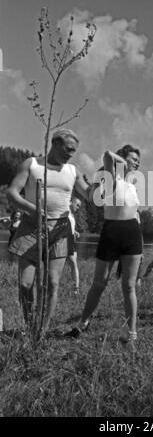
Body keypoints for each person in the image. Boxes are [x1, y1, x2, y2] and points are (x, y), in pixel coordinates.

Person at [7, 129, 91, 332]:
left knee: (53, 283)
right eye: (68, 149)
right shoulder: (32, 164)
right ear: (55, 143)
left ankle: (42, 331)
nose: (71, 154)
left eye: (74, 151)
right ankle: (29, 327)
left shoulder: (72, 170)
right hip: (31, 227)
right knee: (26, 284)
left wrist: (104, 185)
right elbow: (11, 192)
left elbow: (90, 194)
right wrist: (32, 209)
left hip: (60, 230)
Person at [66, 144, 142, 347]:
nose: (137, 162)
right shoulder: (111, 177)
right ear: (124, 159)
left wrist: (140, 249)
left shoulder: (133, 186)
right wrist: (123, 162)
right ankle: (83, 323)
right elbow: (108, 154)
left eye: (138, 160)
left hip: (132, 235)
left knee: (129, 286)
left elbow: (135, 214)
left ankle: (132, 332)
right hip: (111, 233)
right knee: (99, 283)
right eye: (134, 158)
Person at [67, 196, 82, 295]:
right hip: (63, 238)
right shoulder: (65, 209)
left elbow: (70, 226)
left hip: (71, 239)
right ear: (71, 202)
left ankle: (76, 289)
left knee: (73, 263)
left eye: (79, 206)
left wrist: (75, 231)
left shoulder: (72, 215)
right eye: (77, 205)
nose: (78, 208)